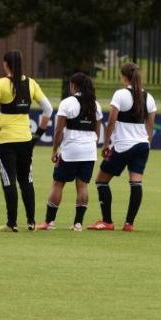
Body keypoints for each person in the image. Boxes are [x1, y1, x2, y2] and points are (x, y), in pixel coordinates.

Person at [0, 50, 52, 232]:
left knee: (9, 181)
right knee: (26, 180)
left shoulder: (0, 83)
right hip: (25, 139)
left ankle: (11, 223)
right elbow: (48, 109)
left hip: (5, 140)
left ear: (6, 64)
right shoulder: (31, 83)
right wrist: (39, 133)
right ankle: (31, 222)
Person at [89, 63, 156, 232]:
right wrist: (148, 142)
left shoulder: (120, 94)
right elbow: (150, 123)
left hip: (123, 146)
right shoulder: (148, 97)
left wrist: (105, 143)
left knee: (101, 181)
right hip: (142, 145)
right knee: (136, 182)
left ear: (123, 76)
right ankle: (129, 223)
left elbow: (111, 121)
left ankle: (107, 221)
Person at [39, 73, 101, 231]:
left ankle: (49, 222)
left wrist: (55, 150)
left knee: (58, 184)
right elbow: (97, 131)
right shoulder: (95, 105)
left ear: (74, 86)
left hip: (70, 150)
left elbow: (59, 130)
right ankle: (78, 223)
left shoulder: (67, 103)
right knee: (82, 187)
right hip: (89, 151)